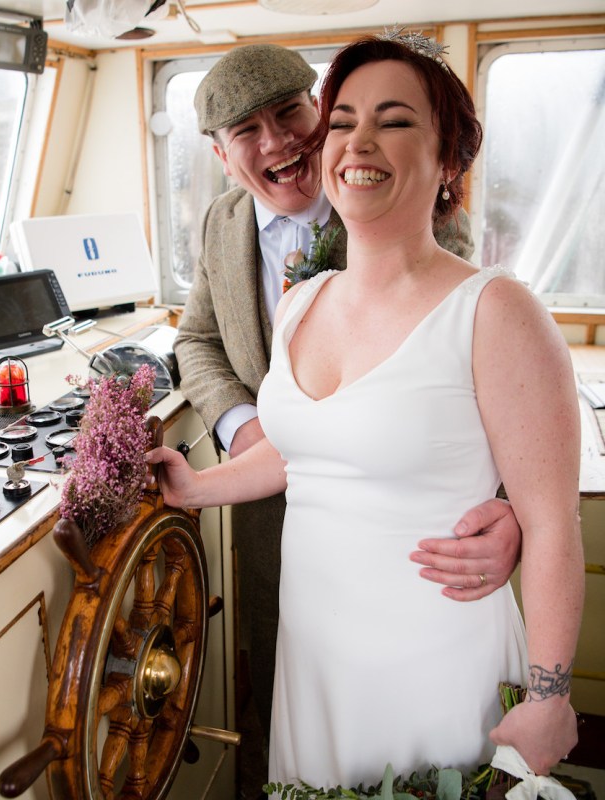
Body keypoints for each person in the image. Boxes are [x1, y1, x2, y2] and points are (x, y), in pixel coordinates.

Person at [151, 31, 583, 789]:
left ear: (449, 160)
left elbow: (552, 522)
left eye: (394, 120)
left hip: (437, 656)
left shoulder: (498, 310)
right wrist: (194, 485)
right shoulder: (303, 301)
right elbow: (303, 448)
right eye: (345, 119)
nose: (359, 140)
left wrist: (550, 696)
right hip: (316, 661)